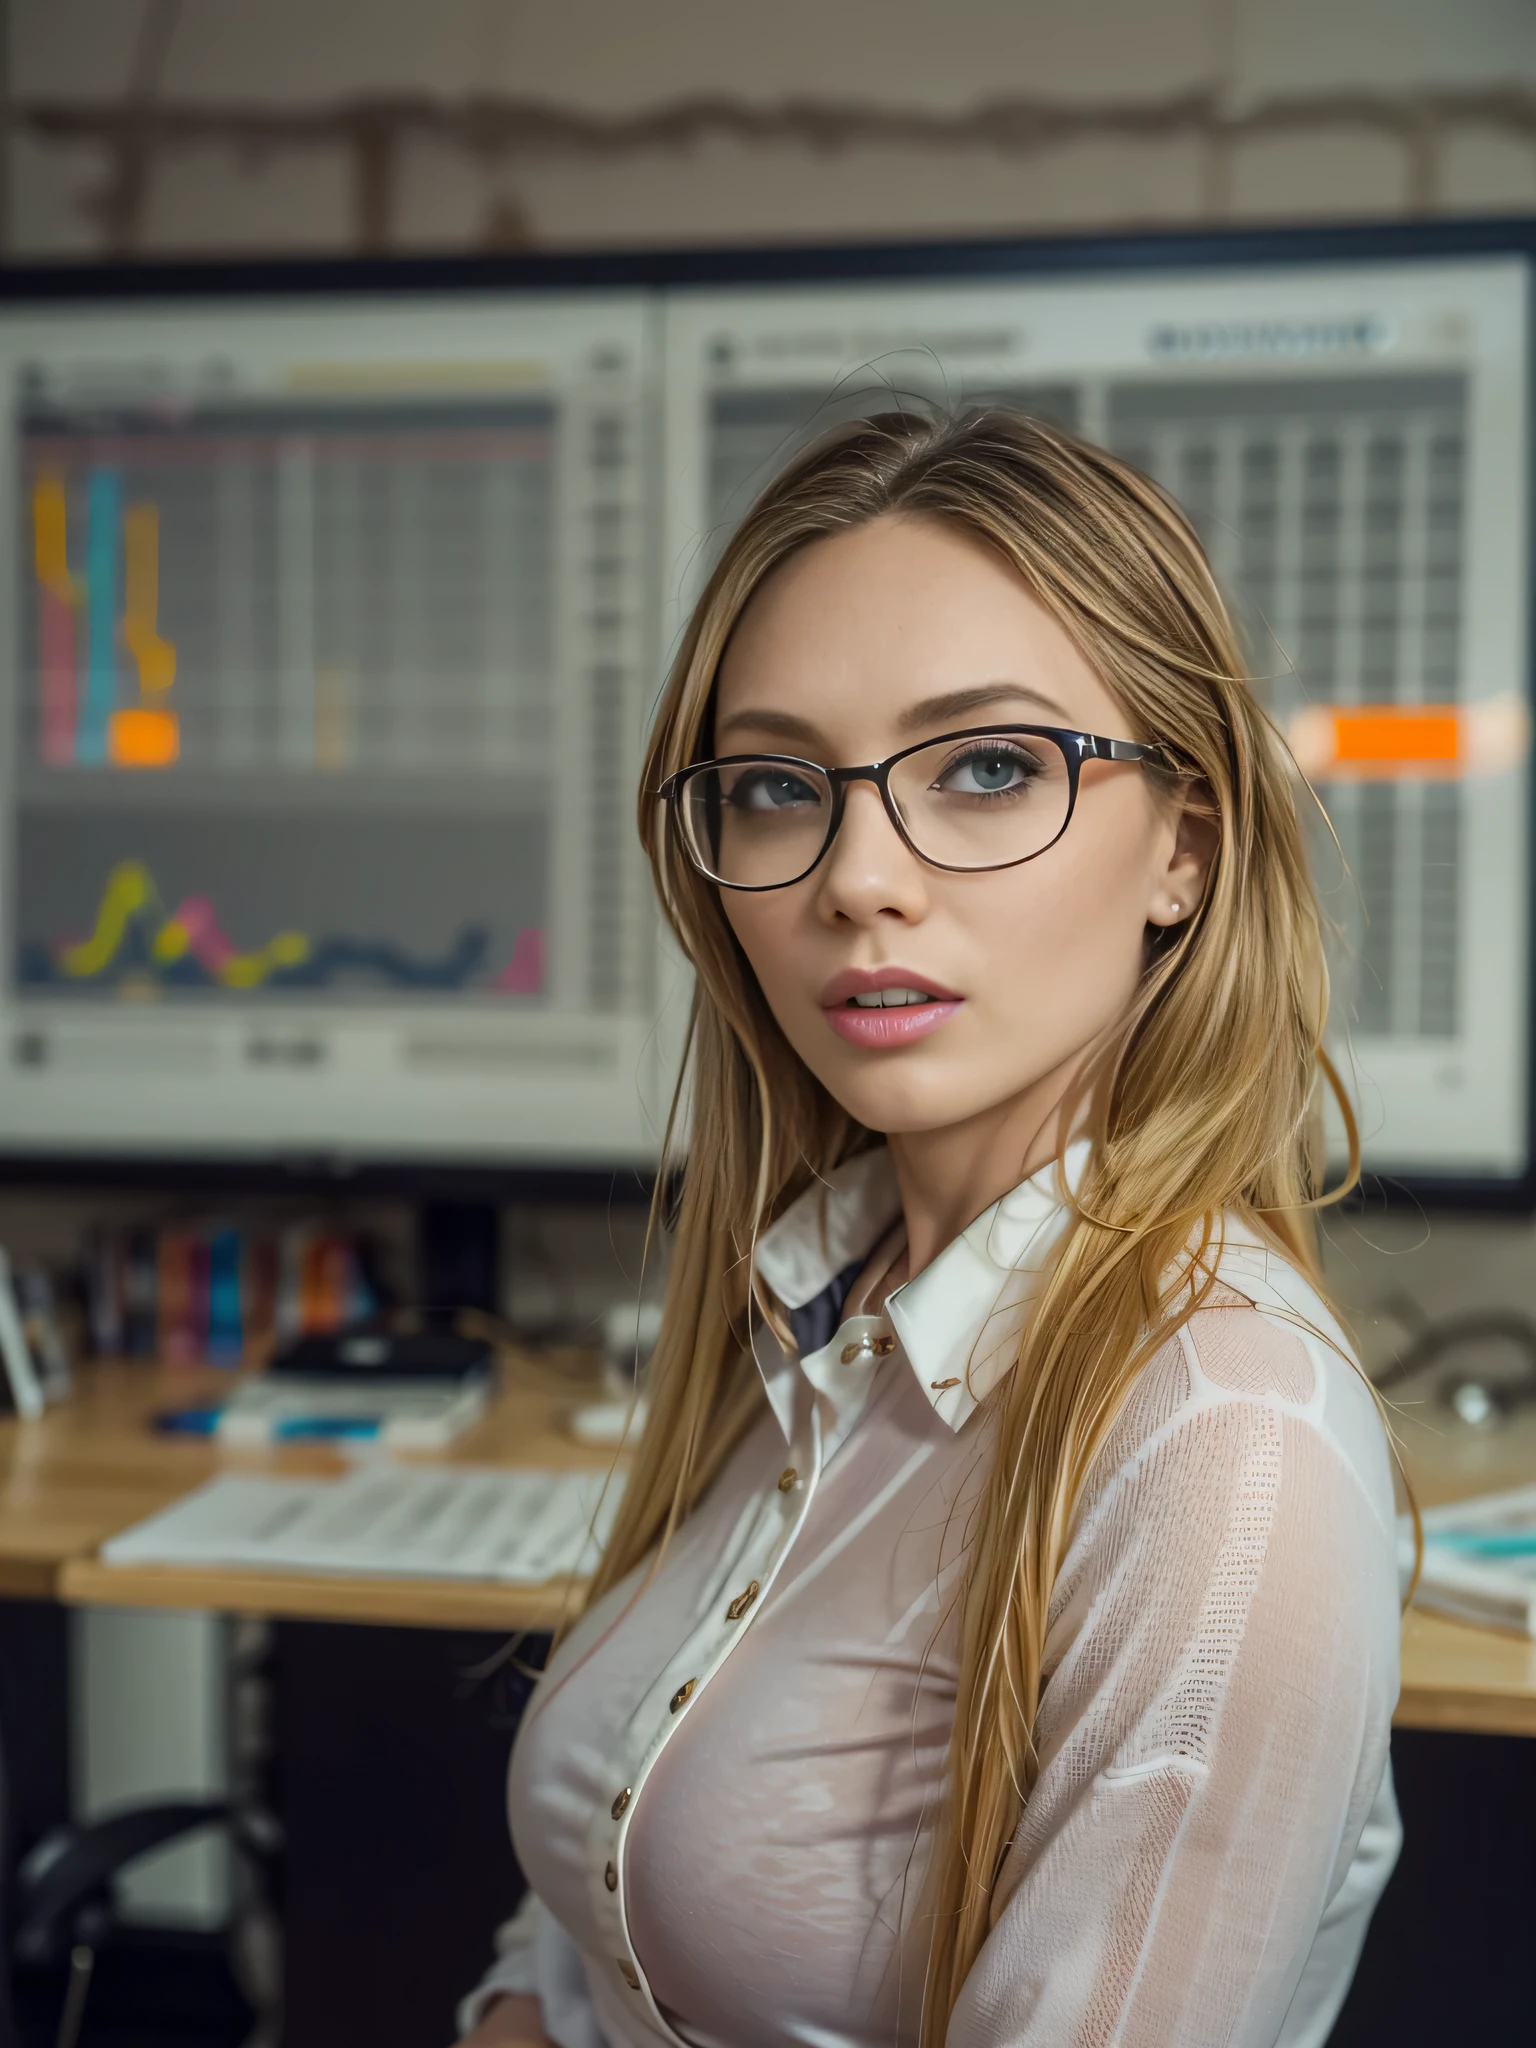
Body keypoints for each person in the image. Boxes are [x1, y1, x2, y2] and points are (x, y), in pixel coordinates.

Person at [458, 409, 1402, 2048]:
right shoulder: (820, 1303)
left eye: (986, 769)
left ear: (1184, 843)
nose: (860, 879)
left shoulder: (1223, 1443)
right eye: (774, 787)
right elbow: (597, 1907)